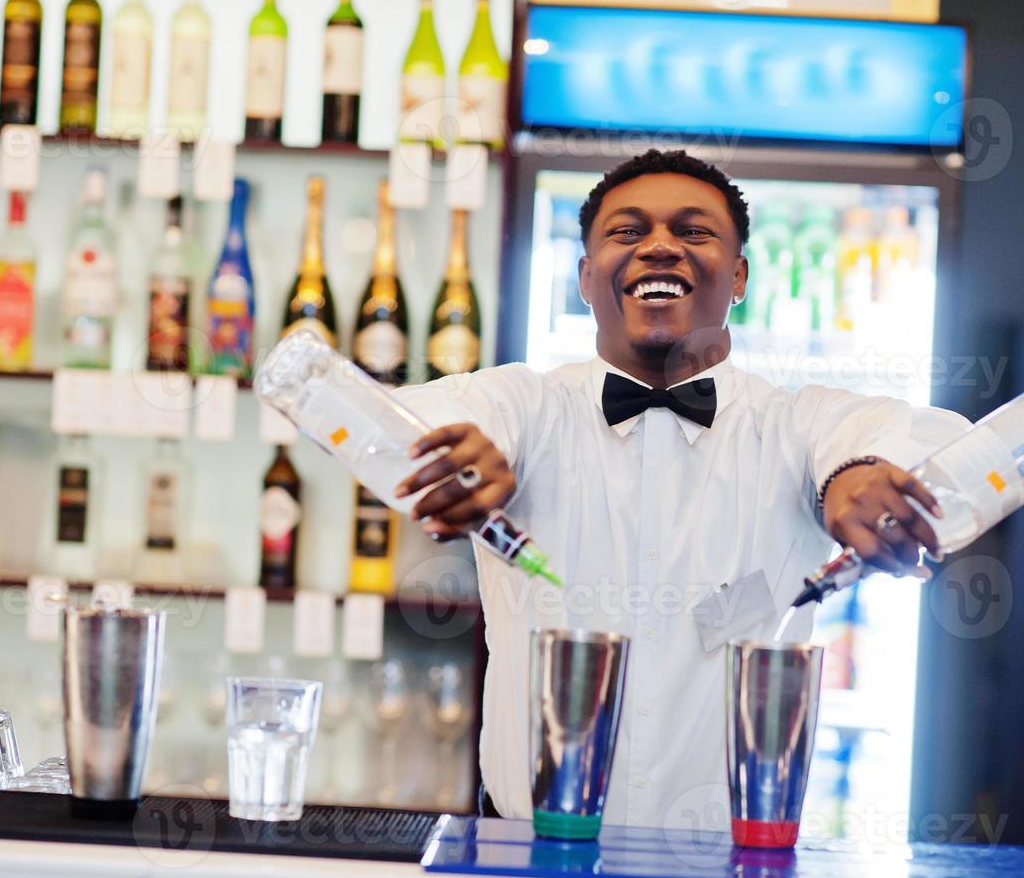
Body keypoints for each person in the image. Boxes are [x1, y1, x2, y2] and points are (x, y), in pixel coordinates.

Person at [396, 149, 968, 828]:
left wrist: (860, 476)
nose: (659, 247)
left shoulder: (798, 423)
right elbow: (388, 421)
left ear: (738, 275)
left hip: (736, 865)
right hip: (529, 856)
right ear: (584, 276)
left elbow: (937, 443)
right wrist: (451, 454)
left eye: (693, 232)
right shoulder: (522, 405)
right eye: (626, 232)